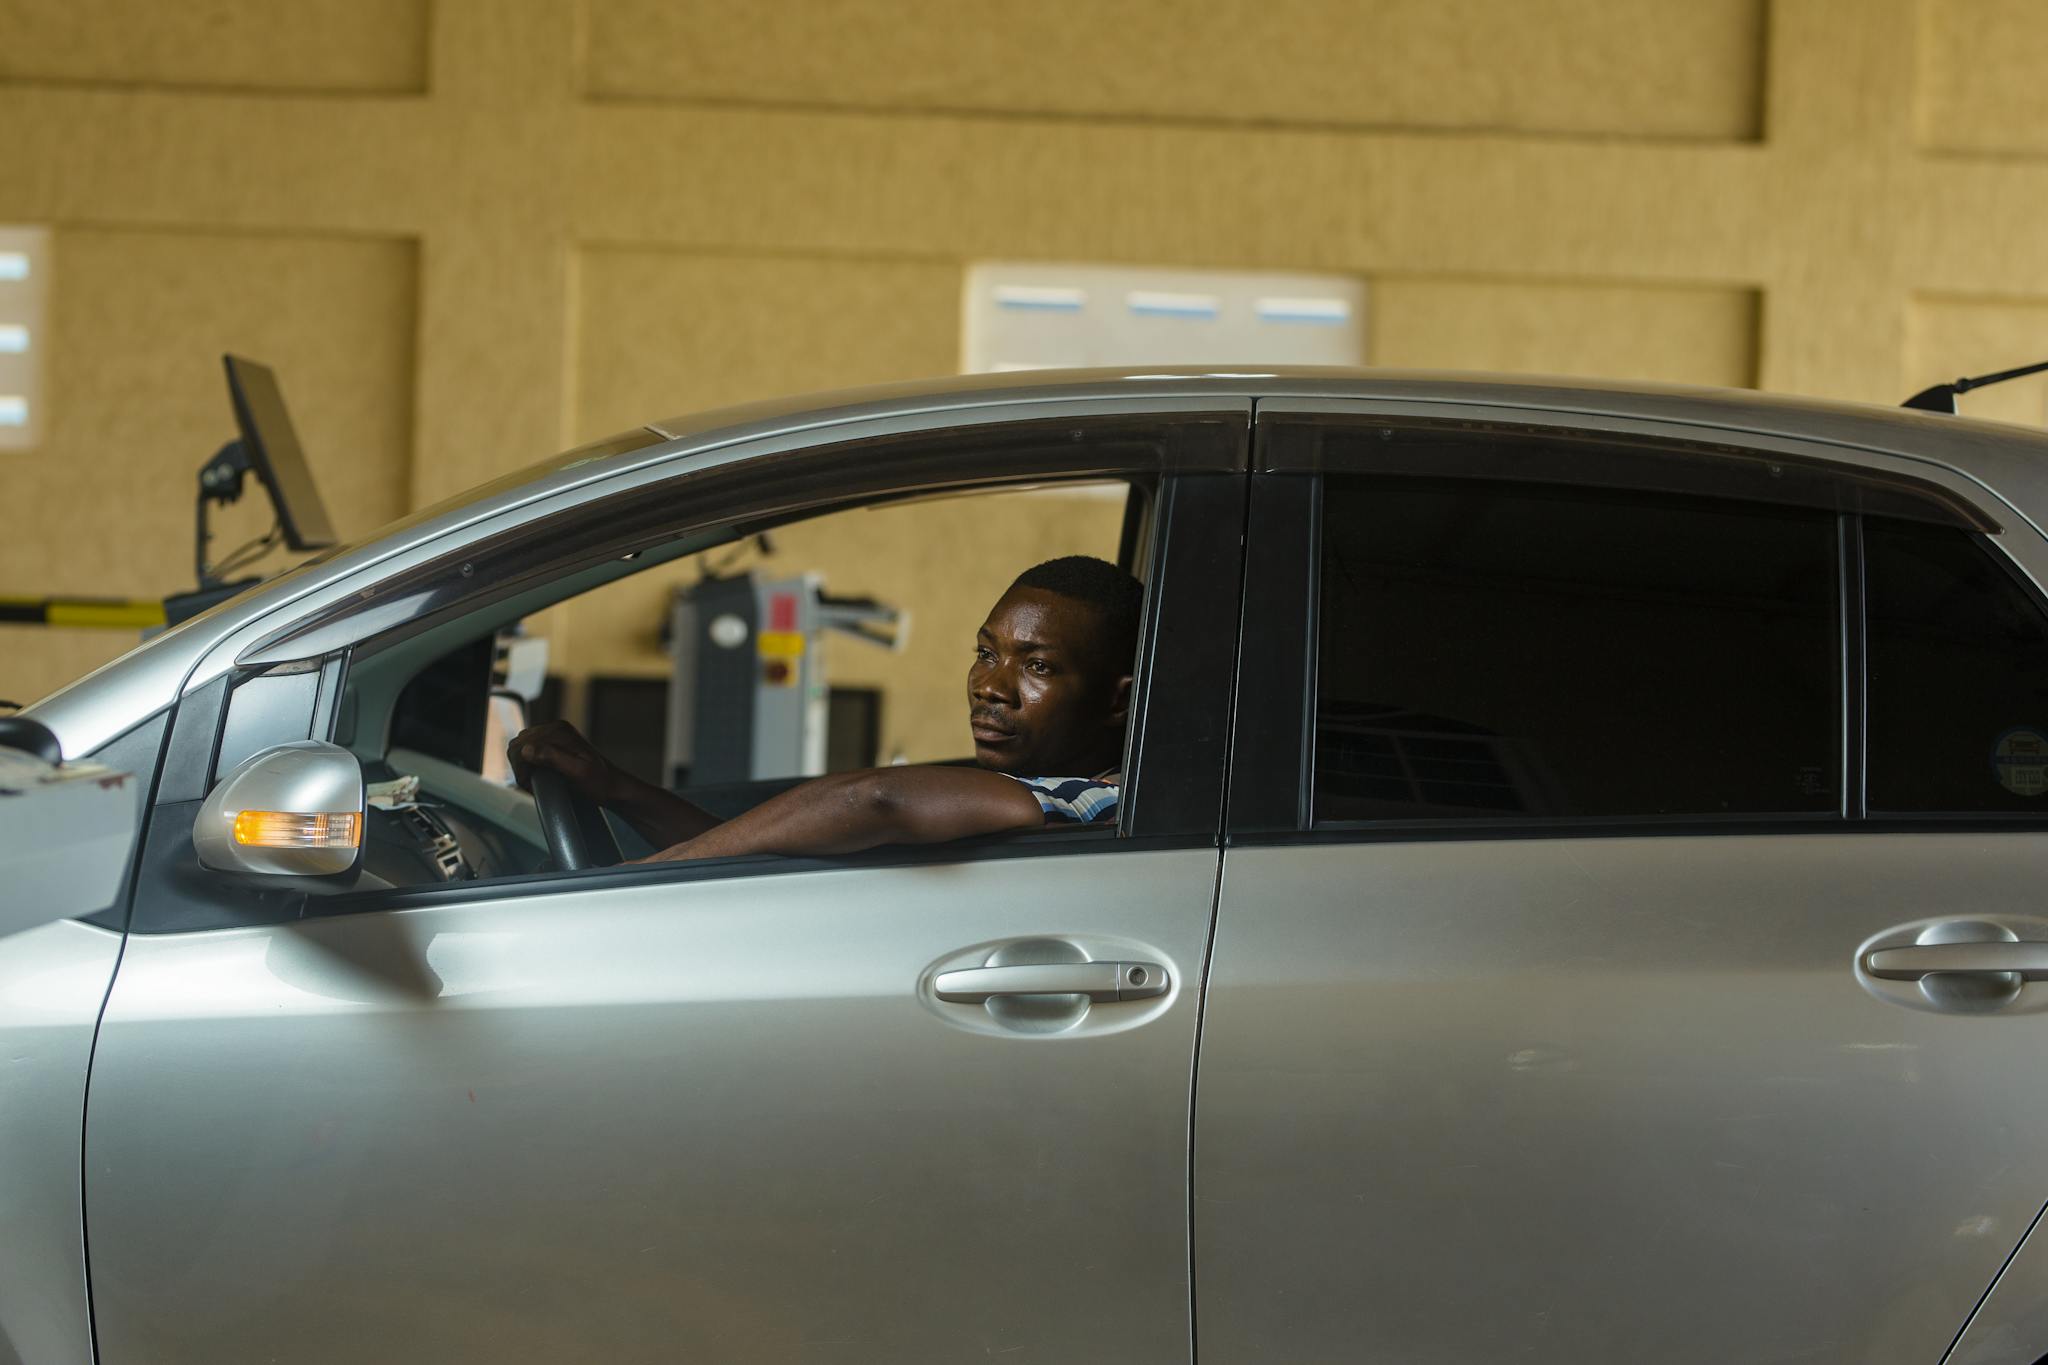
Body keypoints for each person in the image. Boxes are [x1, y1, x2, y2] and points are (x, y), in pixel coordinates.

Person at [508, 555, 1140, 863]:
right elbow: (756, 858)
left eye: (1037, 667)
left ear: (1116, 700)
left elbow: (872, 802)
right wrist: (615, 787)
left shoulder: (1105, 801)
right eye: (985, 652)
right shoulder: (1019, 789)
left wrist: (627, 887)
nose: (989, 686)